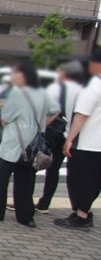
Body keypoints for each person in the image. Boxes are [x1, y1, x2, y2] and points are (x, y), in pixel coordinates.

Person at [0, 59, 59, 227]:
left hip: (14, 142)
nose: (12, 76)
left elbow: (5, 117)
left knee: (2, 178)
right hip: (34, 144)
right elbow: (56, 110)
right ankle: (26, 217)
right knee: (26, 181)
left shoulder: (17, 93)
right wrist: (42, 124)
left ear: (23, 75)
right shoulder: (42, 93)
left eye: (15, 73)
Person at [54, 49, 101, 231]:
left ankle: (81, 216)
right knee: (94, 181)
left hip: (86, 143)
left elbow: (81, 115)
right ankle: (83, 212)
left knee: (78, 180)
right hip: (97, 145)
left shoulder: (94, 85)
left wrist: (69, 139)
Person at [35, 60, 84, 214]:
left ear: (63, 73)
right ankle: (46, 202)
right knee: (56, 170)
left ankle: (24, 200)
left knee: (33, 163)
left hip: (53, 133)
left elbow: (44, 109)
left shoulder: (56, 88)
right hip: (74, 135)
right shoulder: (84, 89)